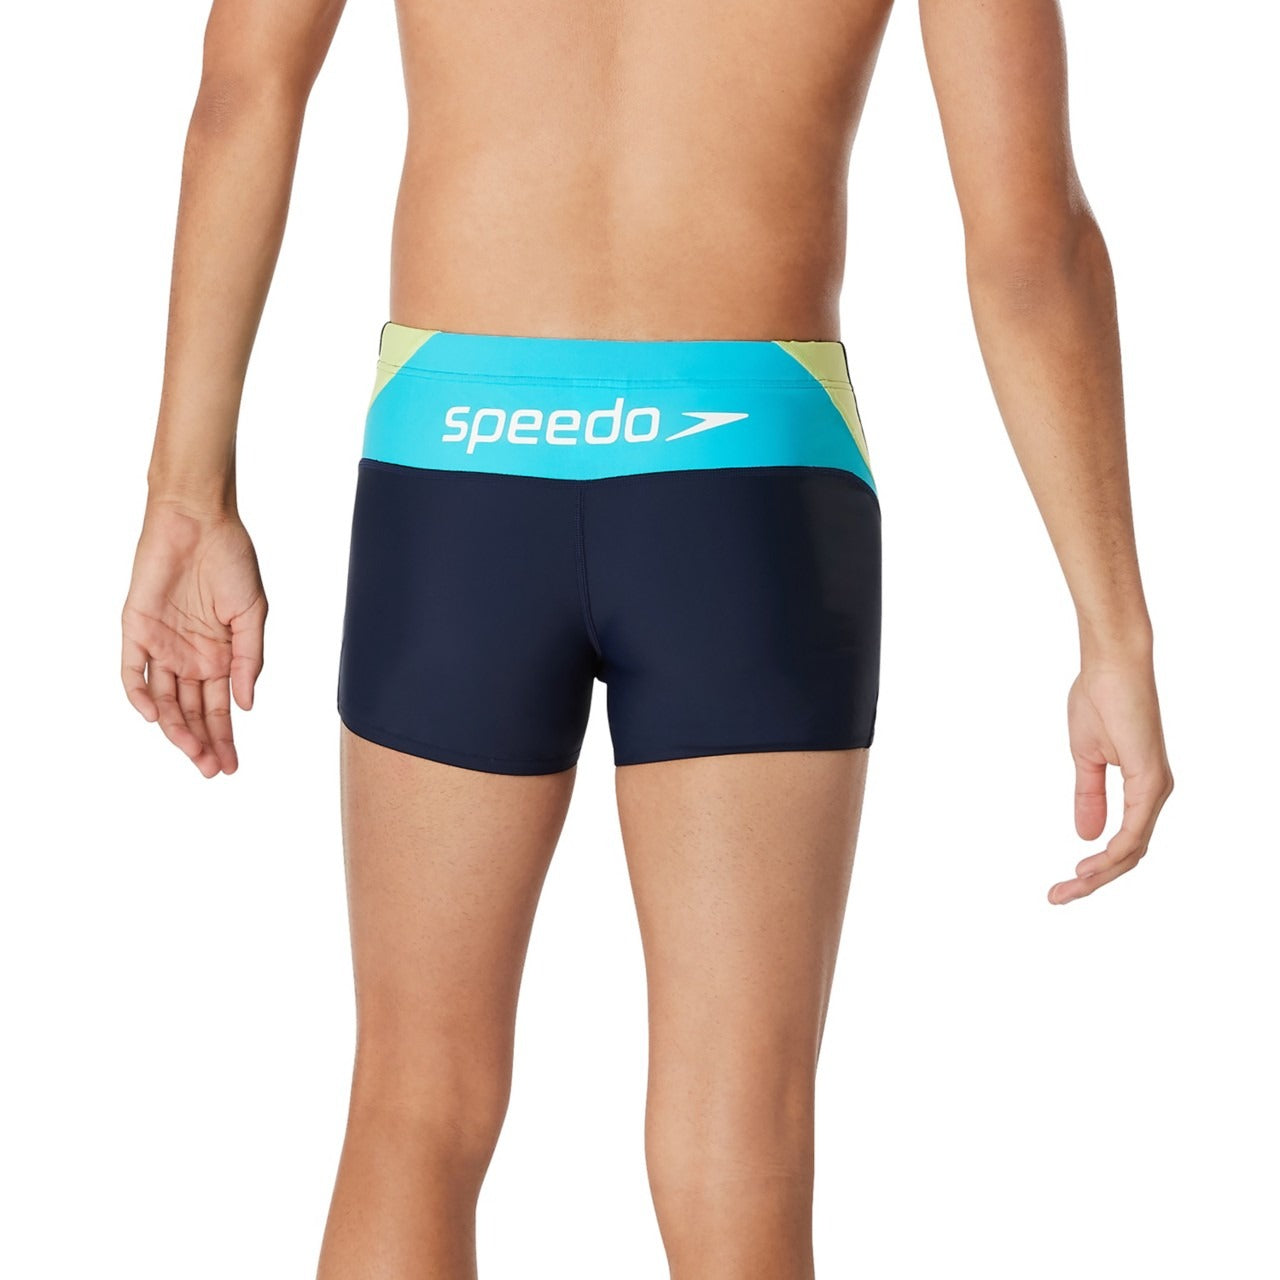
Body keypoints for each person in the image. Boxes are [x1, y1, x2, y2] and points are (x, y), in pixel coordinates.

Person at [119, 0, 1175, 1274]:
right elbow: (1028, 243)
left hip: (459, 461)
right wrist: (1111, 629)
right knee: (739, 1134)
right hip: (746, 470)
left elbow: (242, 93)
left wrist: (186, 496)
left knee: (414, 1105)